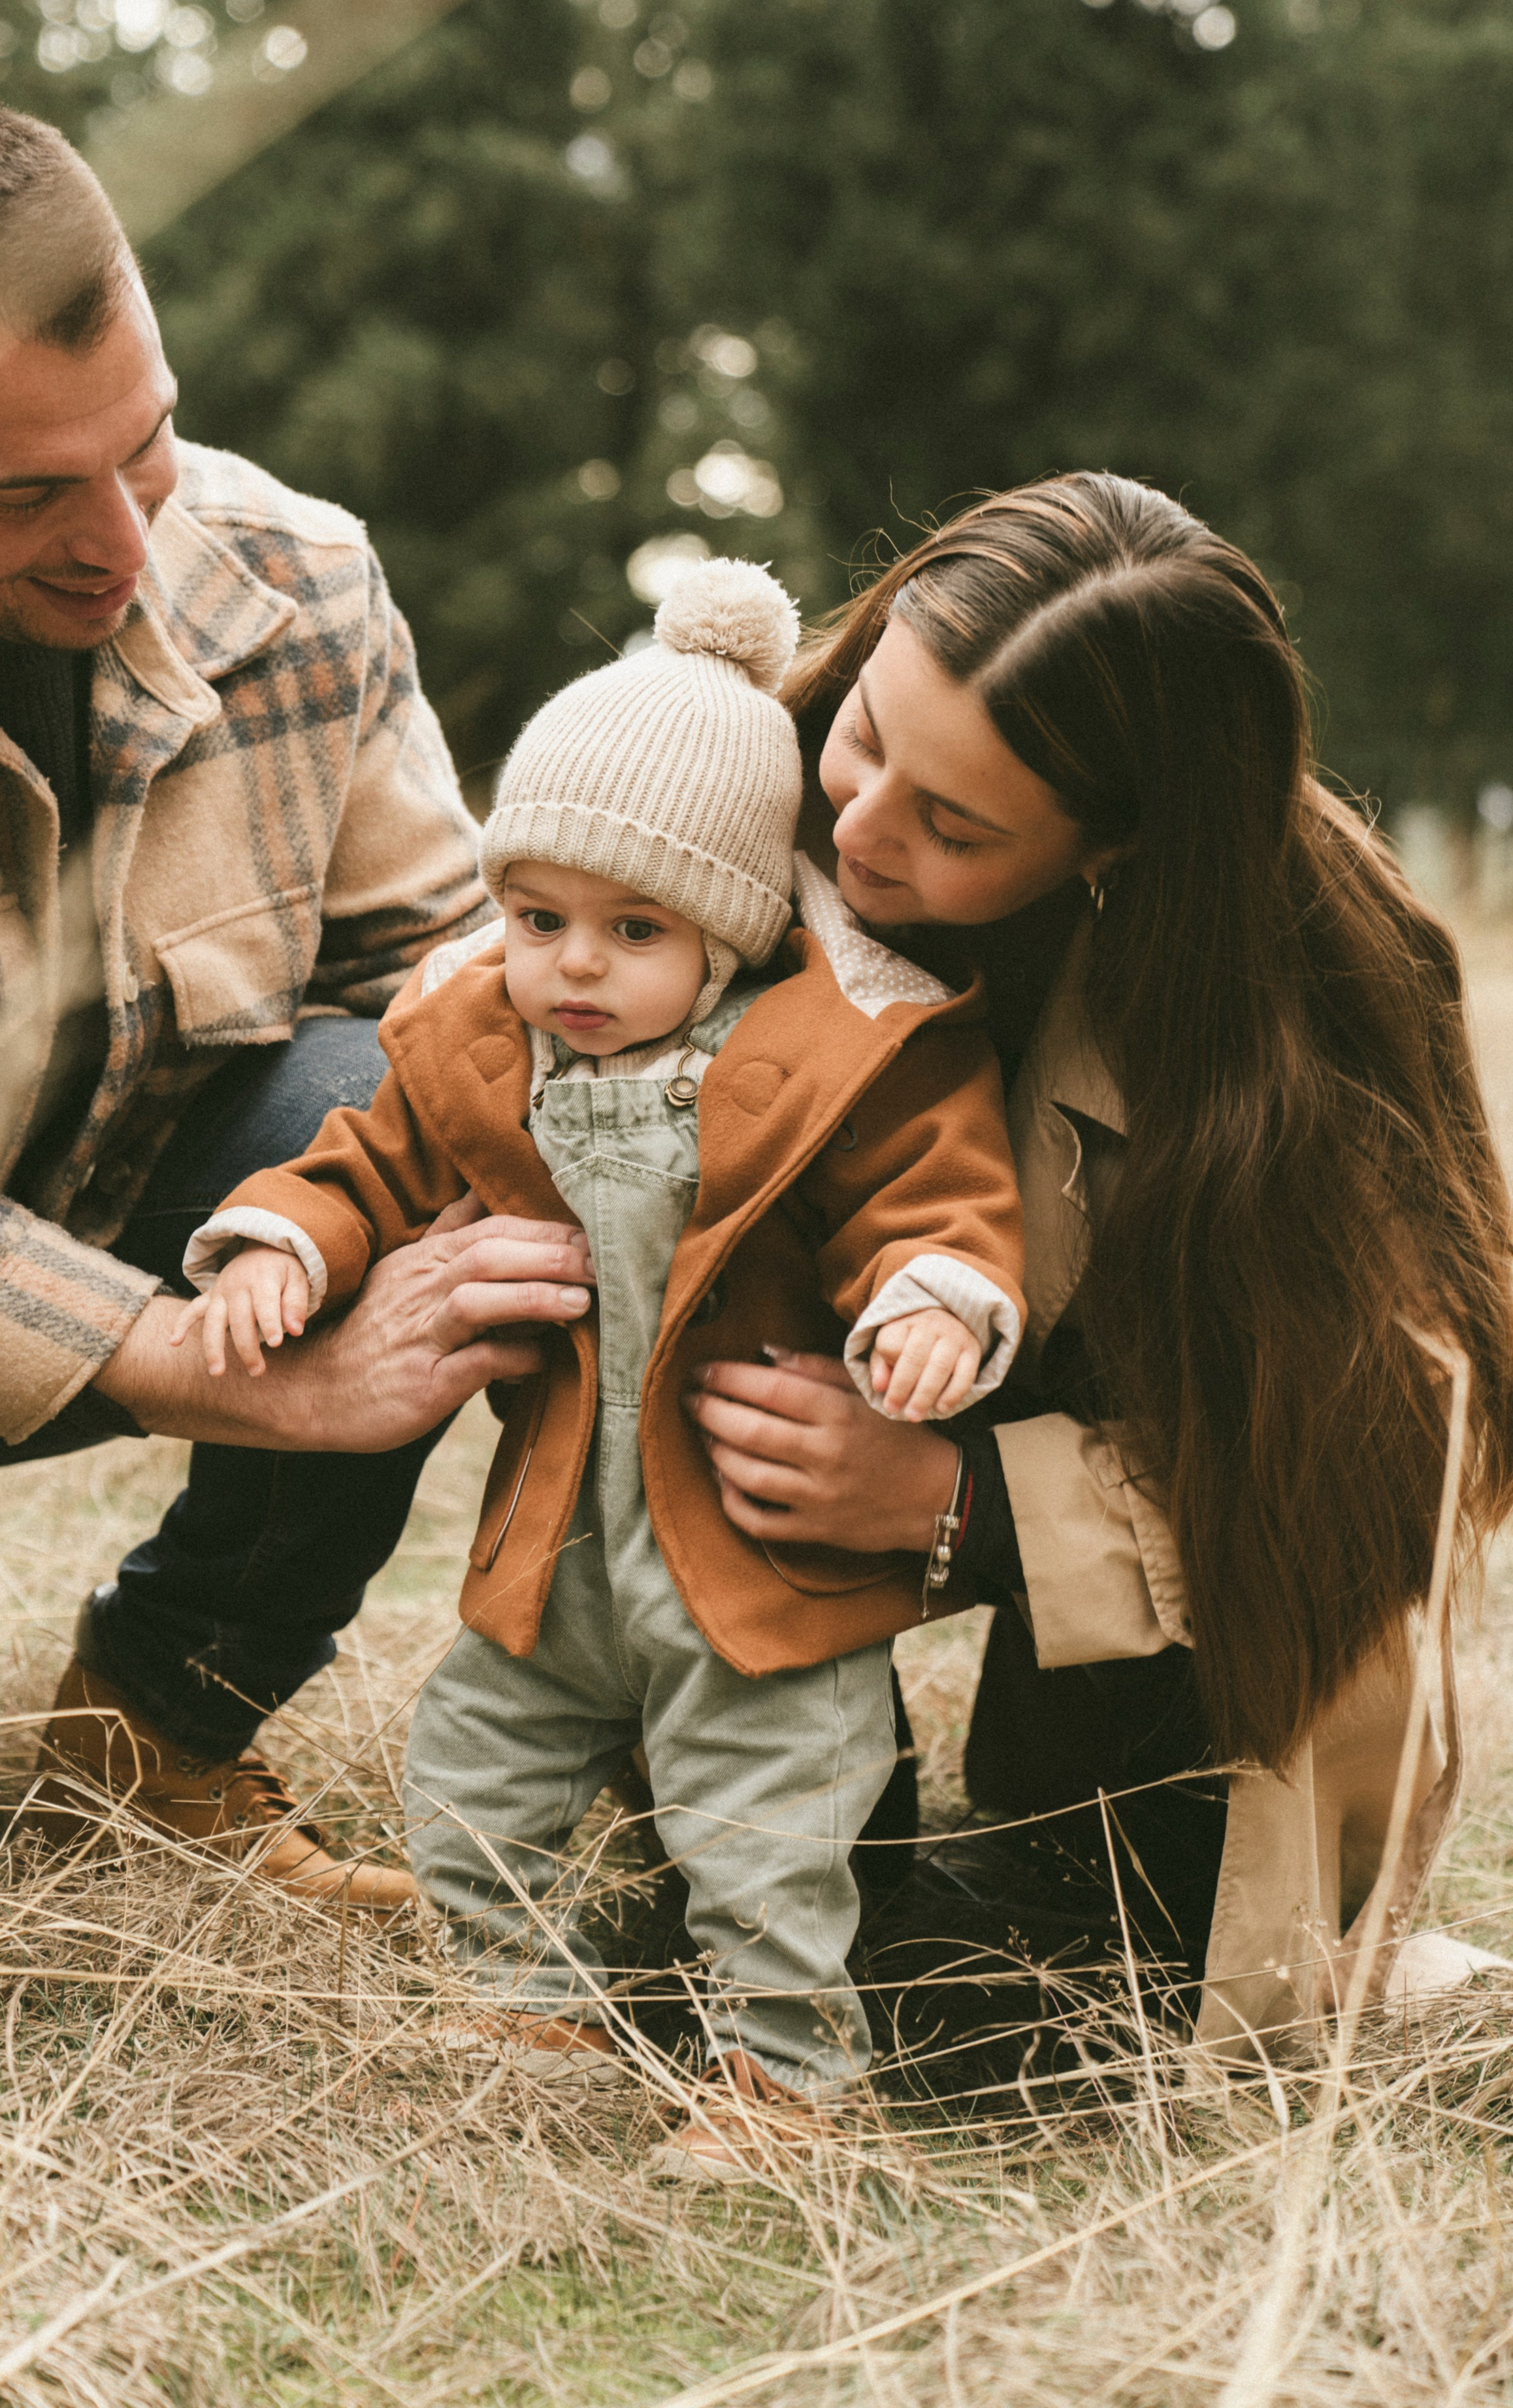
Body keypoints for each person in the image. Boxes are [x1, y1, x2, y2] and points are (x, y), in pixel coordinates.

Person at [176, 559, 1027, 2173]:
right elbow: (366, 1159)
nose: (573, 966)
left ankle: (785, 2082)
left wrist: (927, 1298)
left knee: (769, 1825)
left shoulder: (836, 1060)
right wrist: (283, 1237)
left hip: (747, 1555)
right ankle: (516, 2009)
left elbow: (934, 1192)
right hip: (560, 1543)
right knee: (471, 1769)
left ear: (732, 931)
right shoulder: (482, 1041)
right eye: (536, 917)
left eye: (633, 929)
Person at [0, 96, 593, 1909]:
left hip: (163, 1243)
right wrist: (214, 1369)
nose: (119, 539)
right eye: (24, 491)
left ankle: (160, 1723)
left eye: (146, 444)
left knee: (454, 1131)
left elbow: (449, 991)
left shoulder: (299, 578)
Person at [683, 474, 1513, 2057]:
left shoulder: (1313, 1004)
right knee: (675, 1955)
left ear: (1111, 846)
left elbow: (1388, 1468)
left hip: (1194, 1585)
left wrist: (958, 1505)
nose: (855, 830)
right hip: (782, 1468)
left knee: (1030, 2018)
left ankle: (1340, 1974)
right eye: (865, 739)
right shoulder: (722, 791)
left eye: (955, 826)